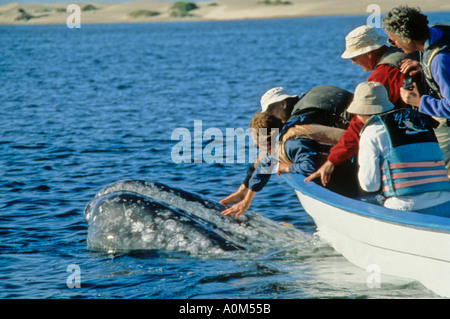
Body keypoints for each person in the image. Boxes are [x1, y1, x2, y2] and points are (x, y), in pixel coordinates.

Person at [305, 25, 415, 186]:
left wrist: (332, 160)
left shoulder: (382, 75)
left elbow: (360, 123)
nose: (353, 63)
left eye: (354, 57)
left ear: (369, 52)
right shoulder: (405, 52)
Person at [219, 85, 353, 208]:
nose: (269, 117)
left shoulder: (298, 126)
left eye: (270, 112)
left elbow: (306, 162)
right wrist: (246, 189)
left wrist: (286, 167)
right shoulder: (301, 110)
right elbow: (268, 157)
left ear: (283, 104)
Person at [348, 81, 449, 214]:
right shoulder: (422, 123)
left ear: (358, 111)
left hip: (406, 208)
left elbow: (370, 185)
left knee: (366, 200)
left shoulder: (372, 131)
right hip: (446, 202)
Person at [382, 5, 450, 173]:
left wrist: (418, 101)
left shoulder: (440, 60)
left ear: (408, 39)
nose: (393, 45)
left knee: (441, 172)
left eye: (393, 40)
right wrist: (424, 66)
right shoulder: (440, 31)